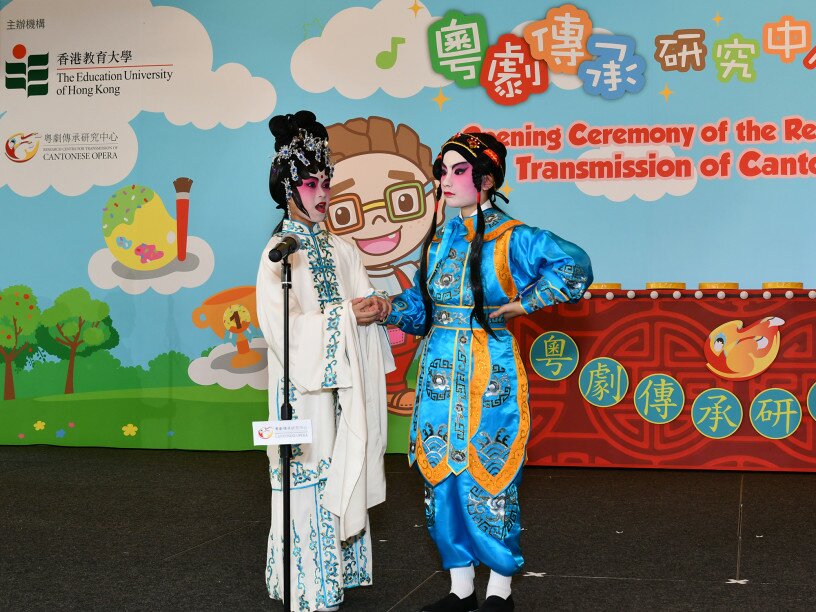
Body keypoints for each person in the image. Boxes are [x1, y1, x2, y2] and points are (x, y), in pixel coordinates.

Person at [384, 131, 593, 612]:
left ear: (487, 178)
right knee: (441, 478)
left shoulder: (511, 237)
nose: (446, 180)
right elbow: (423, 309)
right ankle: (460, 588)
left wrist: (524, 303)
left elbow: (575, 265)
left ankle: (499, 591)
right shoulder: (439, 239)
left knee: (491, 476)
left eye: (459, 171)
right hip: (438, 371)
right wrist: (385, 308)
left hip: (489, 371)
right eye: (443, 170)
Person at [256, 110, 394, 612]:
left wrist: (377, 307)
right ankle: (307, 586)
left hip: (344, 389)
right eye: (311, 183)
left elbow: (362, 300)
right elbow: (280, 331)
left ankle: (337, 576)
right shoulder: (278, 252)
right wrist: (343, 317)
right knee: (305, 485)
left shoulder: (344, 247)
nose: (322, 194)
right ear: (288, 189)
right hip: (302, 395)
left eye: (326, 182)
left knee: (345, 469)